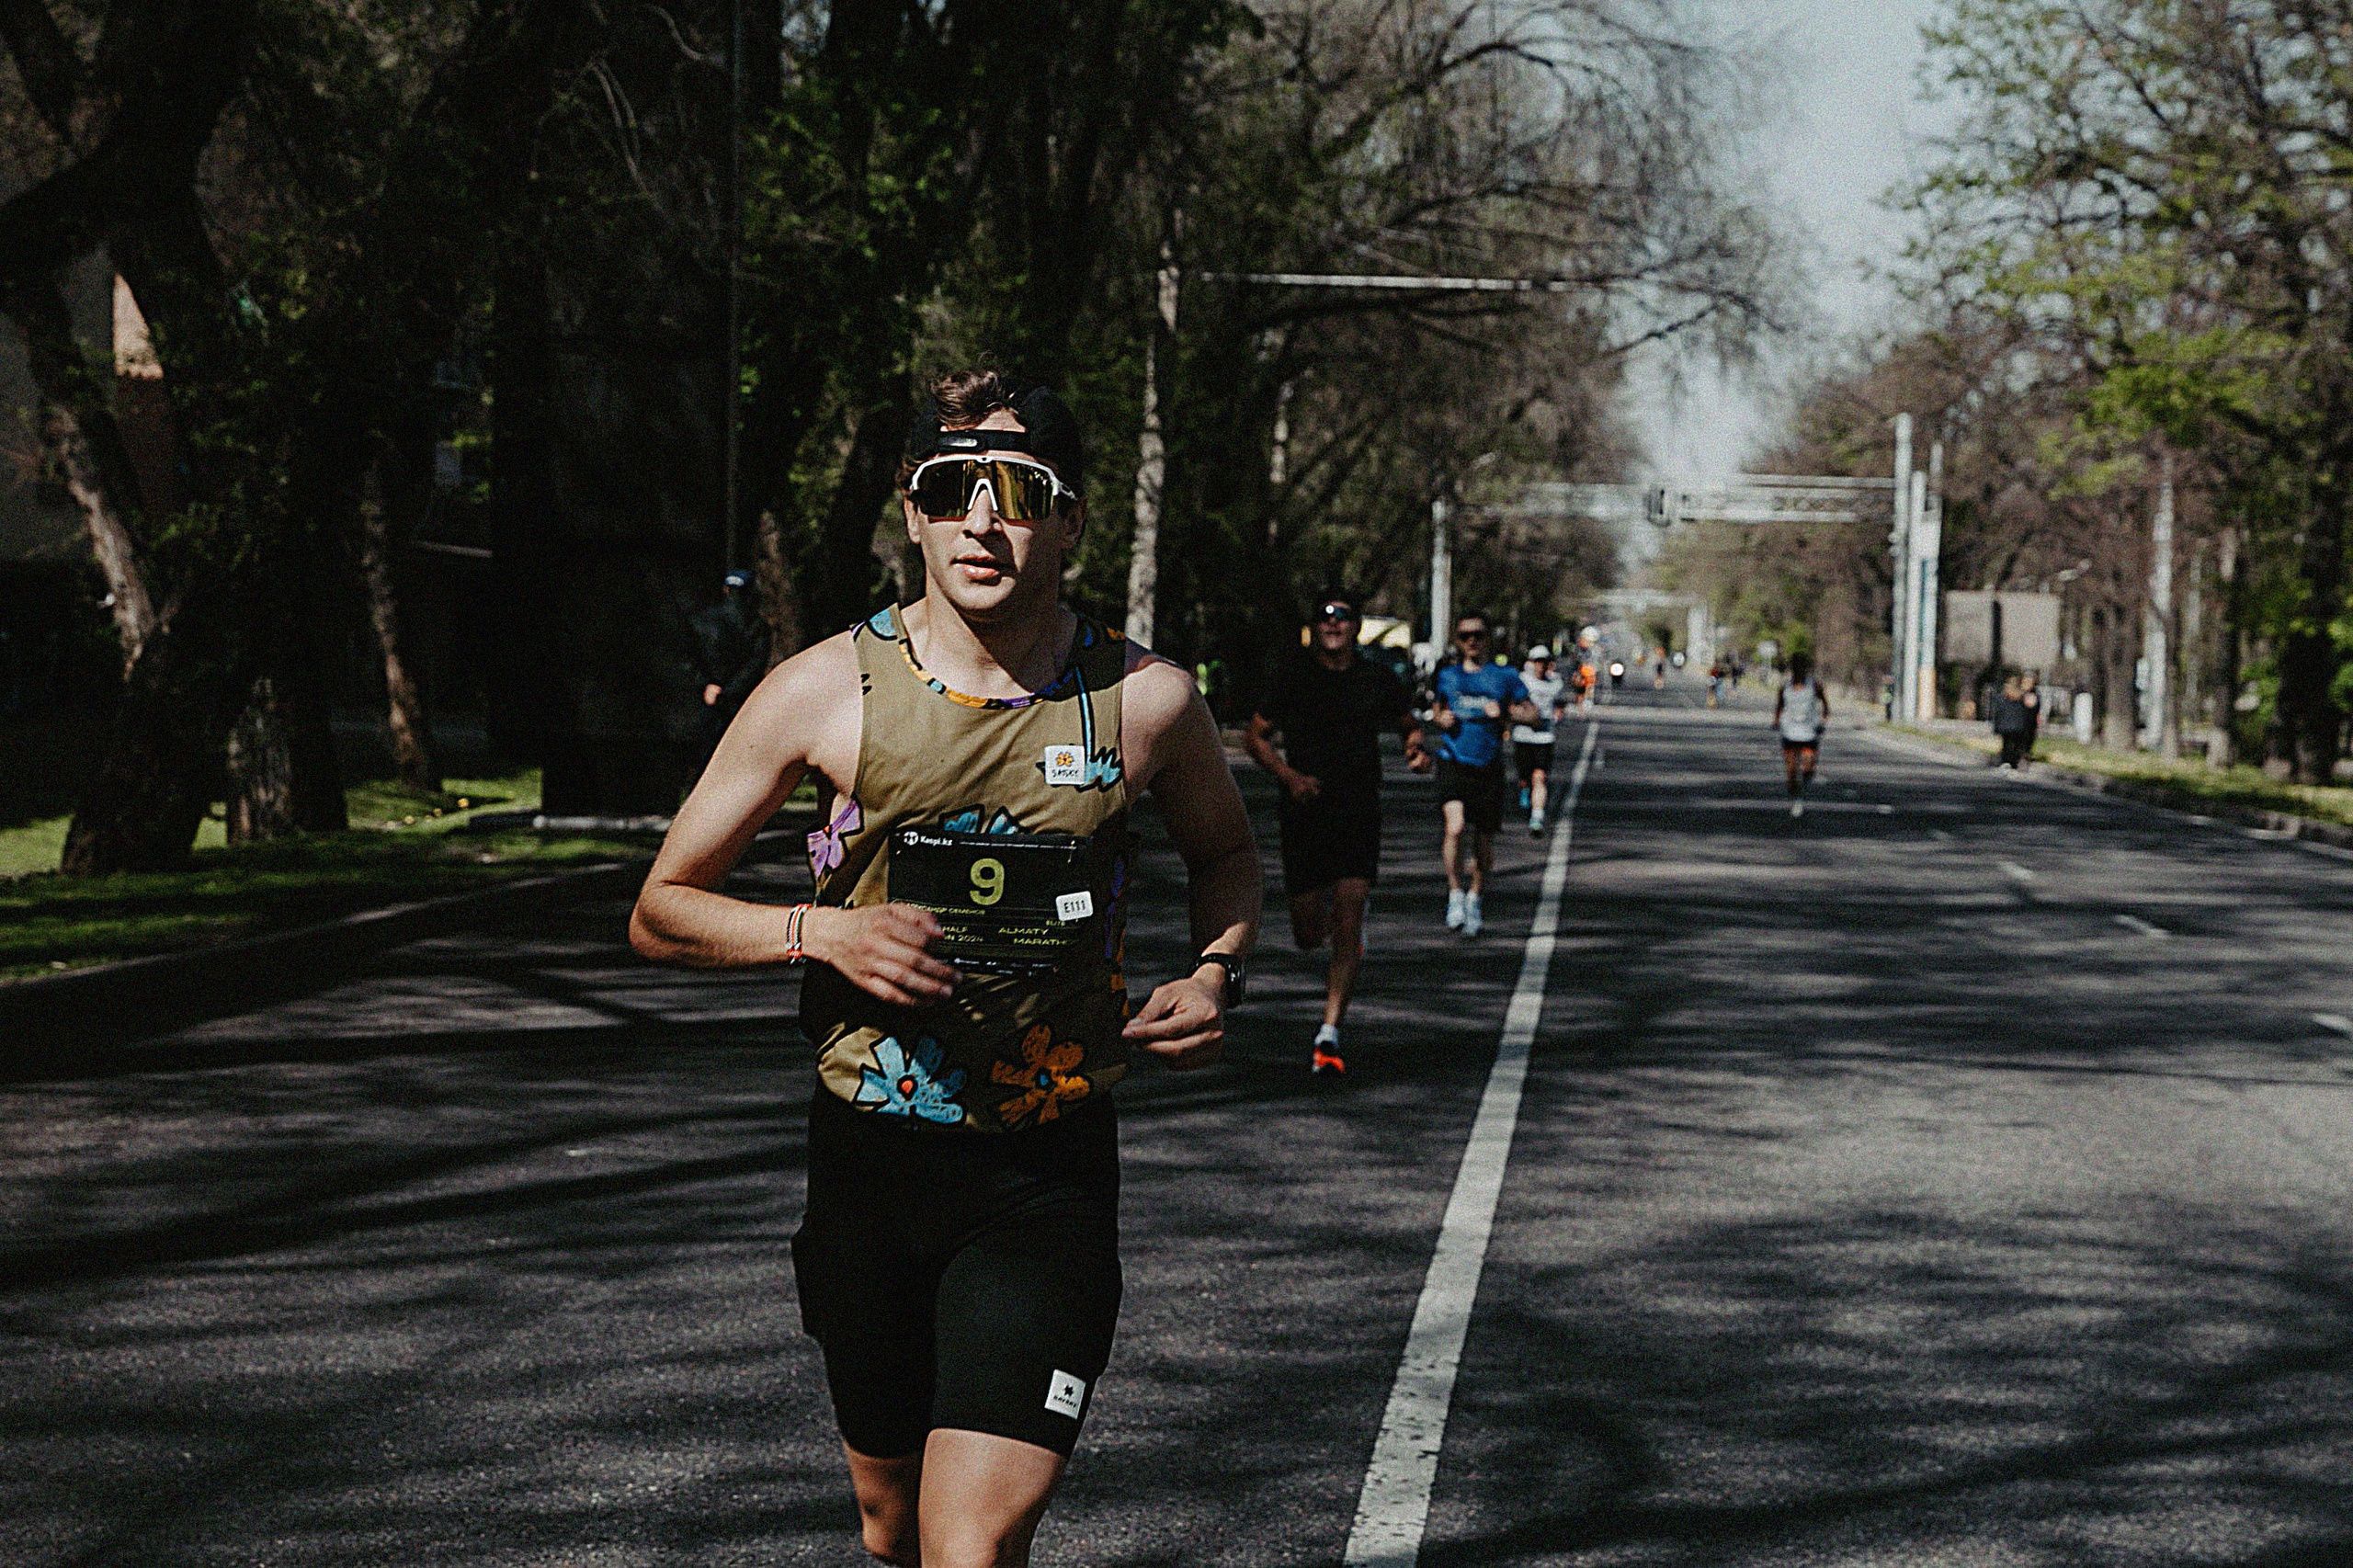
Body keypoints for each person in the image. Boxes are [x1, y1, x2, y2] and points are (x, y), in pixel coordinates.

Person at [630, 370, 1259, 1568]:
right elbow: (661, 909)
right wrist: (822, 933)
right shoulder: (820, 690)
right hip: (869, 1162)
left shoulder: (1148, 702)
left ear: (1070, 520)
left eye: (1019, 490)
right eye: (950, 488)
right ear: (910, 514)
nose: (983, 518)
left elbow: (1227, 853)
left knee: (968, 1539)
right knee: (894, 1524)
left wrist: (1220, 966)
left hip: (1045, 1163)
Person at [1245, 596, 1430, 1075]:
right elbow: (1255, 735)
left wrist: (1415, 749)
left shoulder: (1376, 679)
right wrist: (1290, 778)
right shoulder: (1294, 676)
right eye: (1326, 620)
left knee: (1349, 916)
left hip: (1357, 808)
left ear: (1356, 628)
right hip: (1304, 809)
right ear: (1314, 629)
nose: (1334, 627)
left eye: (1342, 620)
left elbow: (1408, 723)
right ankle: (1337, 939)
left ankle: (1329, 1032)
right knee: (1308, 934)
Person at [1431, 613, 1537, 937]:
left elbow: (1532, 714)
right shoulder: (1446, 676)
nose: (1472, 641)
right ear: (1458, 640)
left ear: (1487, 638)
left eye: (1477, 635)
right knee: (1455, 826)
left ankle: (1475, 897)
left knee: (1483, 839)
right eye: (1465, 636)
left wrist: (1506, 713)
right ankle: (1455, 894)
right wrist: (1441, 720)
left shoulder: (1504, 677)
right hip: (1453, 761)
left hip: (1487, 765)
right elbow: (1437, 709)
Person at [690, 568, 772, 771]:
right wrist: (732, 691)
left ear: (726, 589)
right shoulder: (758, 625)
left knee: (706, 763)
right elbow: (756, 663)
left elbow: (692, 657)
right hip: (743, 701)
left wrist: (708, 685)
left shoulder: (705, 619)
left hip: (709, 700)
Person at [1510, 644, 1568, 835]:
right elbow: (1511, 705)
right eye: (1538, 662)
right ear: (1532, 663)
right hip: (1523, 735)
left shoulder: (1556, 683)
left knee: (1540, 777)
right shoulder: (1522, 681)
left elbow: (1560, 705)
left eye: (1544, 662)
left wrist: (1558, 714)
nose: (1541, 666)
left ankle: (1537, 816)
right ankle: (1524, 789)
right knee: (1525, 779)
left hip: (1544, 737)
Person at [1774, 650, 1830, 817]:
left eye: (1801, 667)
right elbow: (1779, 706)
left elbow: (1826, 706)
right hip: (1790, 731)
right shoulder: (1785, 686)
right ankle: (1795, 793)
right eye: (1796, 667)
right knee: (1791, 771)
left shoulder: (1815, 685)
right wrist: (1776, 720)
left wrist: (1822, 722)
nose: (1799, 671)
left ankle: (1803, 788)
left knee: (1808, 765)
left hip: (1809, 731)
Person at [1991, 674, 2031, 768]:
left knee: (2007, 745)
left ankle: (2006, 761)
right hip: (2018, 726)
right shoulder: (2022, 697)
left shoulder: (2003, 698)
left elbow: (1998, 713)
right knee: (2016, 745)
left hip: (2005, 726)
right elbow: (2026, 713)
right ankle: (2013, 762)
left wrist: (1996, 727)